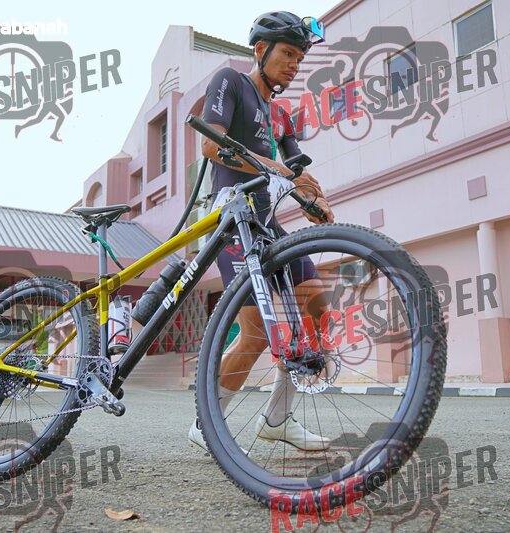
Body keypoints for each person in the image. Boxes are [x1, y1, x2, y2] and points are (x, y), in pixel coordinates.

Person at [188, 12, 336, 451]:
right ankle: (205, 423)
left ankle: (277, 420)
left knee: (316, 309)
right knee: (254, 332)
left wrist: (314, 199)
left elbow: (296, 170)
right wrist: (276, 169)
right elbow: (211, 144)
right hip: (232, 218)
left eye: (299, 58)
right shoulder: (231, 82)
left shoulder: (282, 115)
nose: (294, 64)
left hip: (267, 222)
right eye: (288, 53)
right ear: (260, 50)